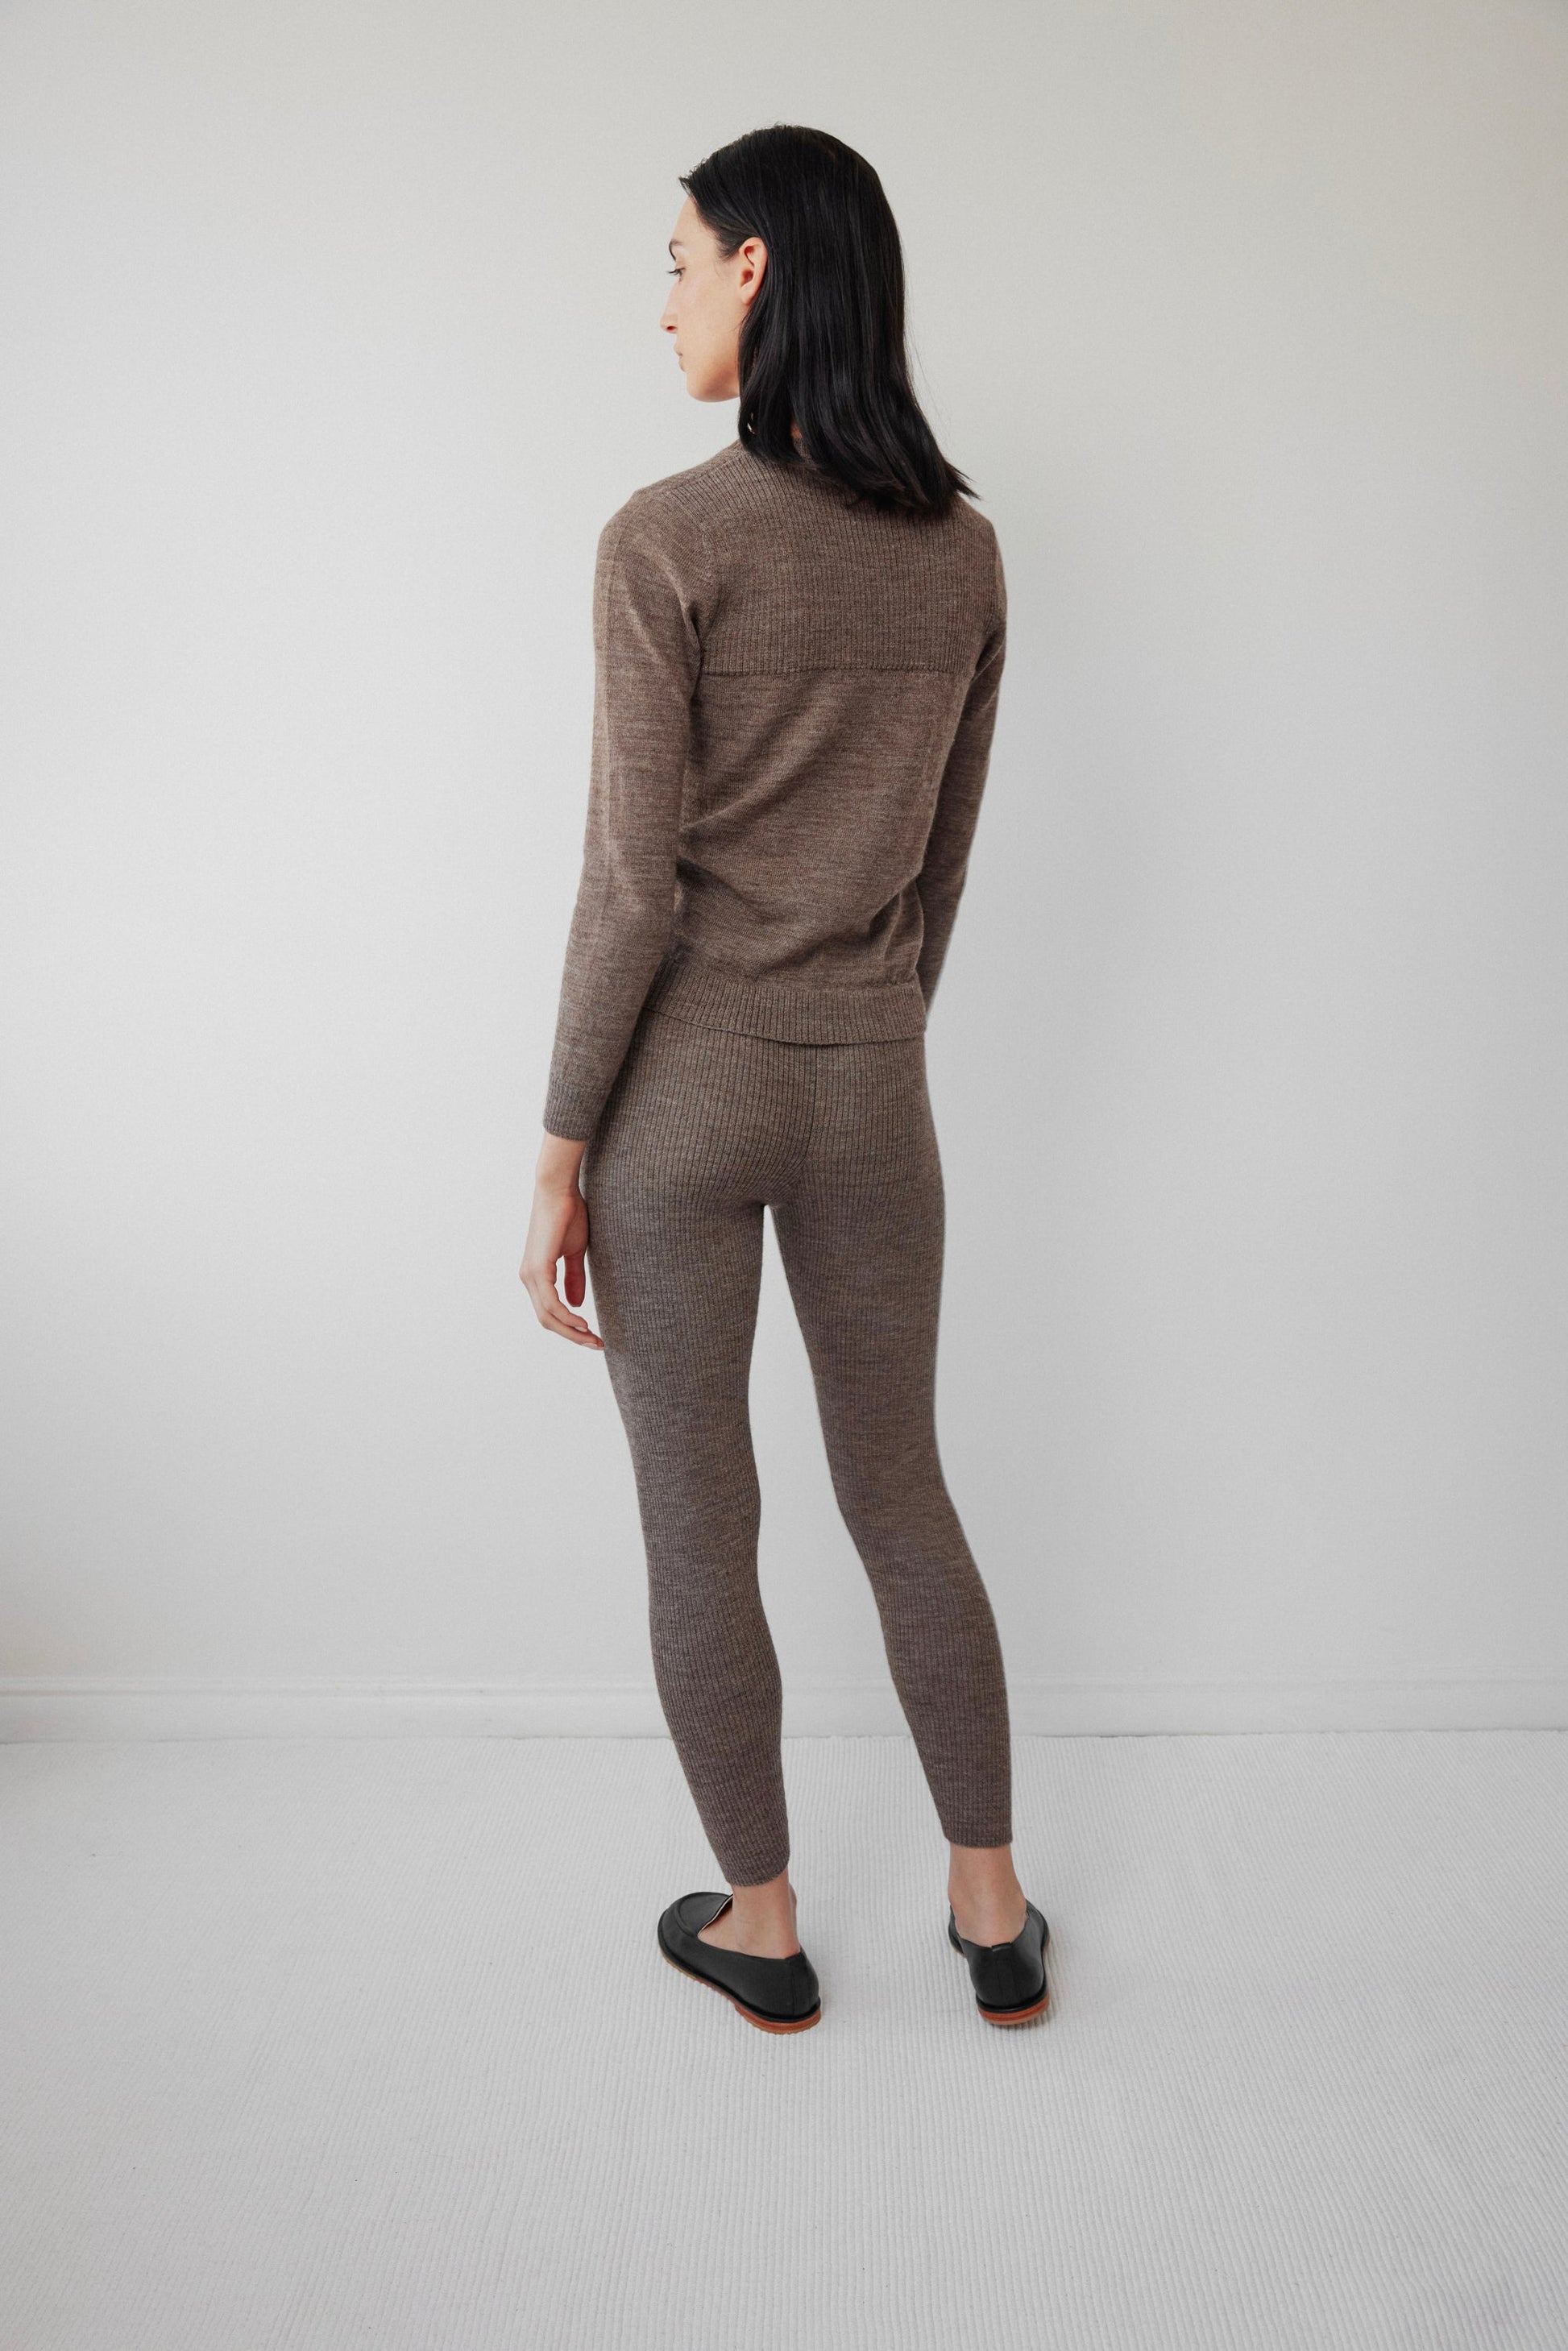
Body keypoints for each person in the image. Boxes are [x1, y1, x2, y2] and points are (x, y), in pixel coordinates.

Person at [520, 125, 1049, 2034]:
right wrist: (870, 1025)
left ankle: (763, 1923)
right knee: (900, 1485)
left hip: (679, 1105)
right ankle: (991, 1907)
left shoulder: (665, 537)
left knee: (697, 1517)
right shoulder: (967, 555)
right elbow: (942, 865)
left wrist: (562, 1139)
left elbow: (625, 883)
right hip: (871, 1091)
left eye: (673, 259)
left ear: (757, 267)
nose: (659, 298)